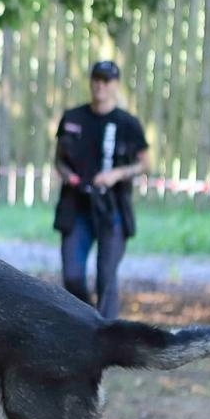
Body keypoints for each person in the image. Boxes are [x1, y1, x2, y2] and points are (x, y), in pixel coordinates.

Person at [52, 59, 150, 319]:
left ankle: (106, 337)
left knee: (106, 280)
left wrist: (117, 174)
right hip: (77, 208)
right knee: (72, 276)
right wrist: (68, 176)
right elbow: (59, 159)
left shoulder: (128, 123)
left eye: (106, 80)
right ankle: (83, 325)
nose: (100, 85)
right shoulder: (73, 118)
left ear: (116, 85)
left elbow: (144, 163)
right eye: (96, 79)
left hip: (112, 210)